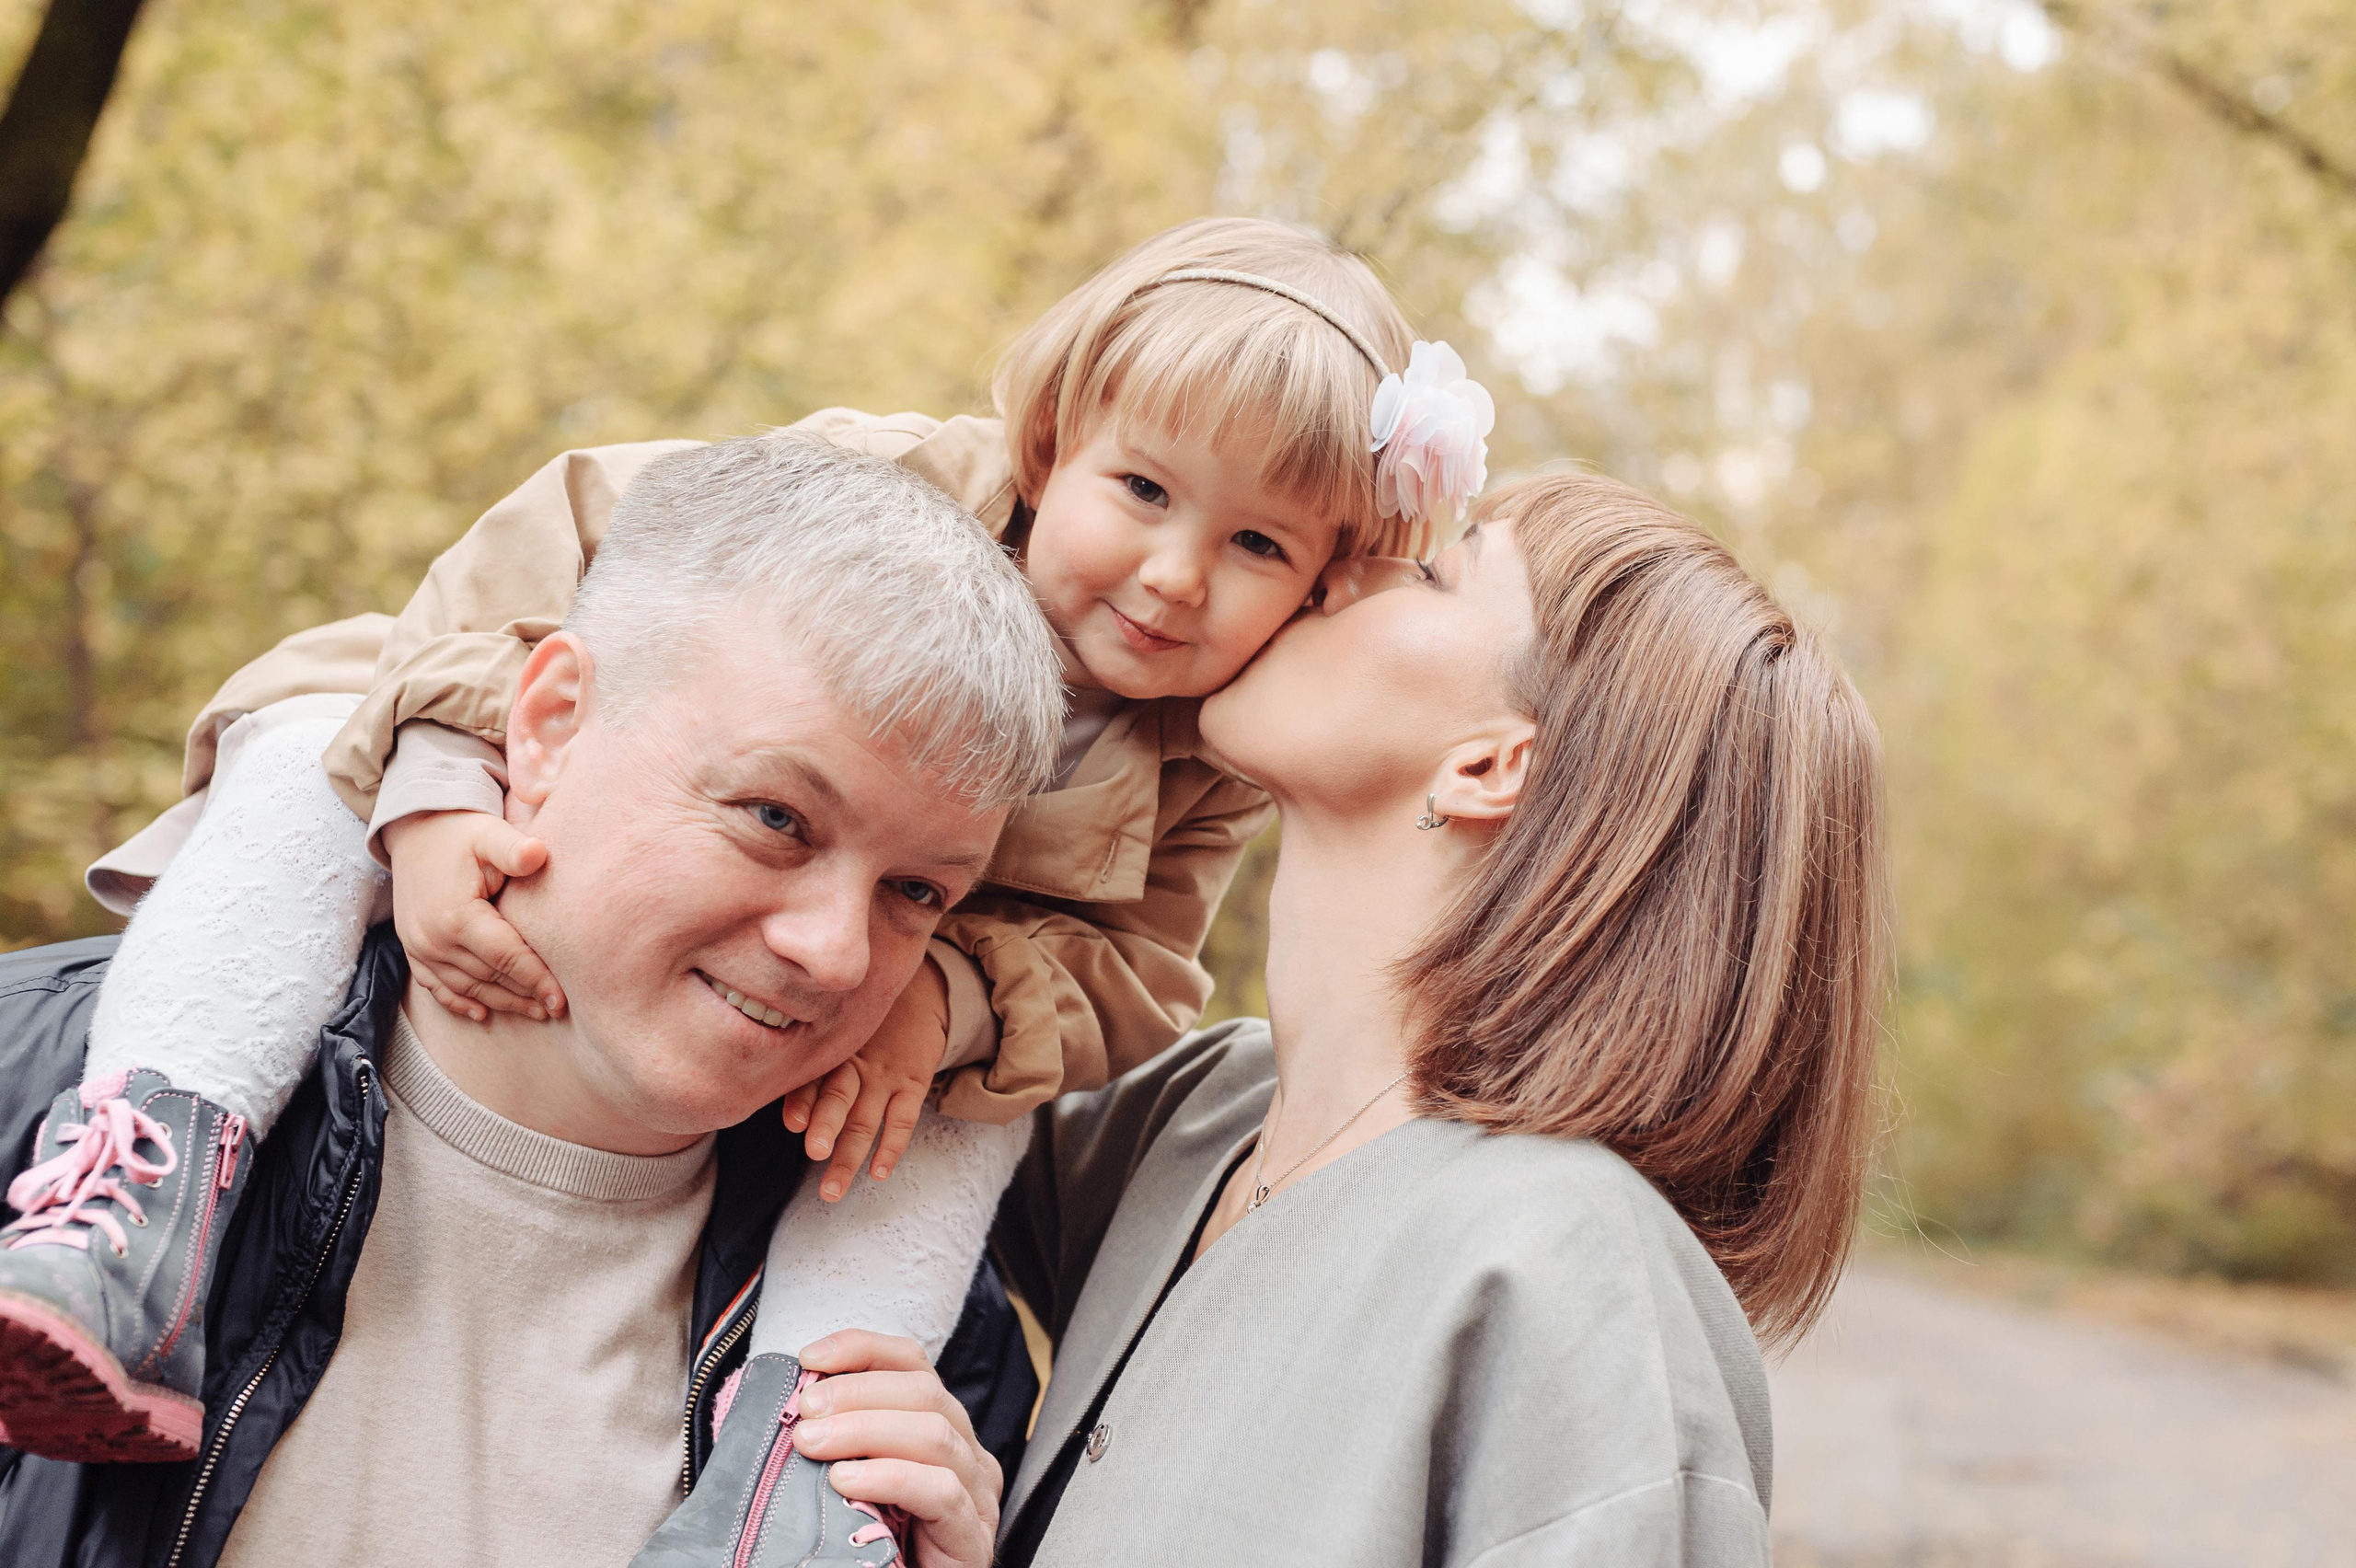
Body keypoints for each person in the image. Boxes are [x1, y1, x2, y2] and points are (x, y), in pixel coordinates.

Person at [0, 436, 1056, 1568]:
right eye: (776, 818)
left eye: (916, 891)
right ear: (549, 724)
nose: (838, 954)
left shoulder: (906, 1388)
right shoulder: (36, 1089)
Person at [974, 469, 1891, 1563]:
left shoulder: (1572, 1278)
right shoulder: (1187, 1122)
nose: (1342, 566)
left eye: (1433, 572)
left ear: (1491, 764)